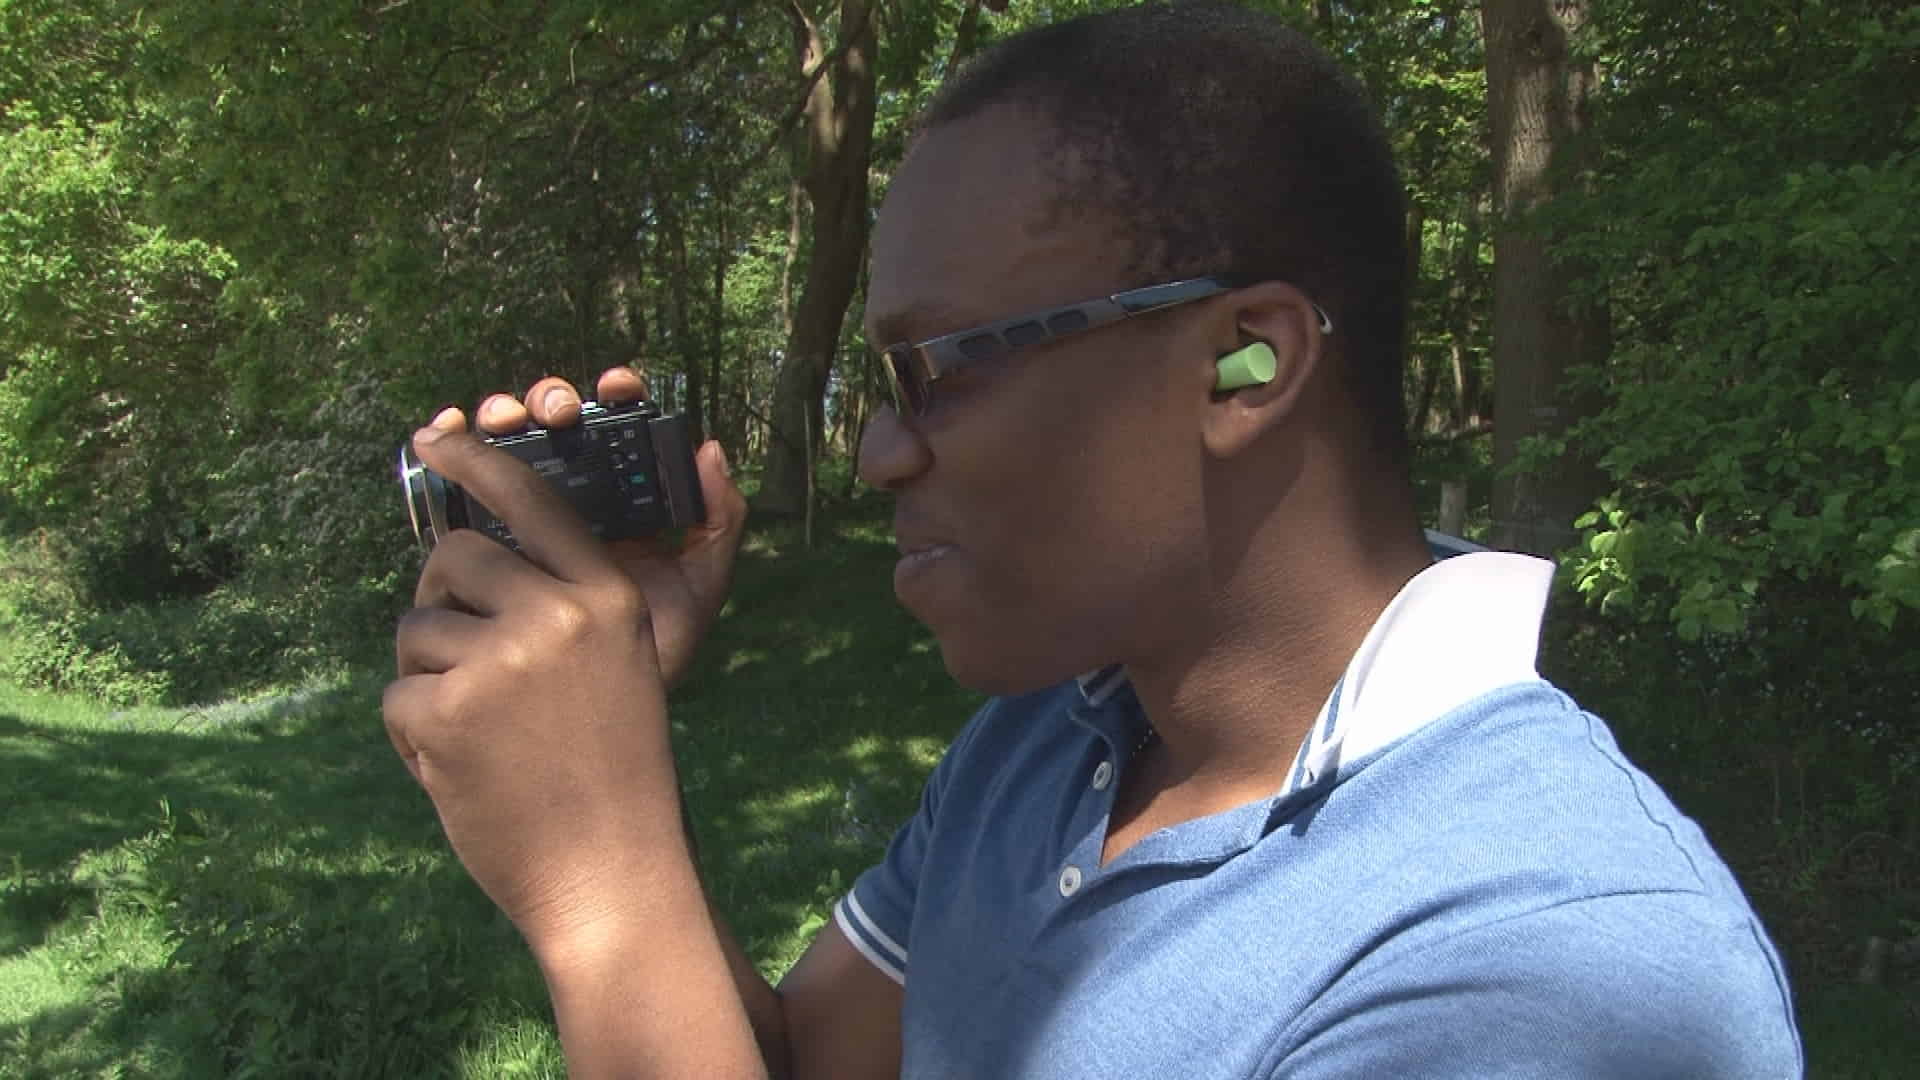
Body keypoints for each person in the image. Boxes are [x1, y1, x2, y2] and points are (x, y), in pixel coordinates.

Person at [383, 4, 1803, 1077]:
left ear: (1243, 366)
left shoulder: (1546, 968)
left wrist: (603, 887)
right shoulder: (1053, 744)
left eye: (935, 367)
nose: (880, 452)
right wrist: (599, 753)